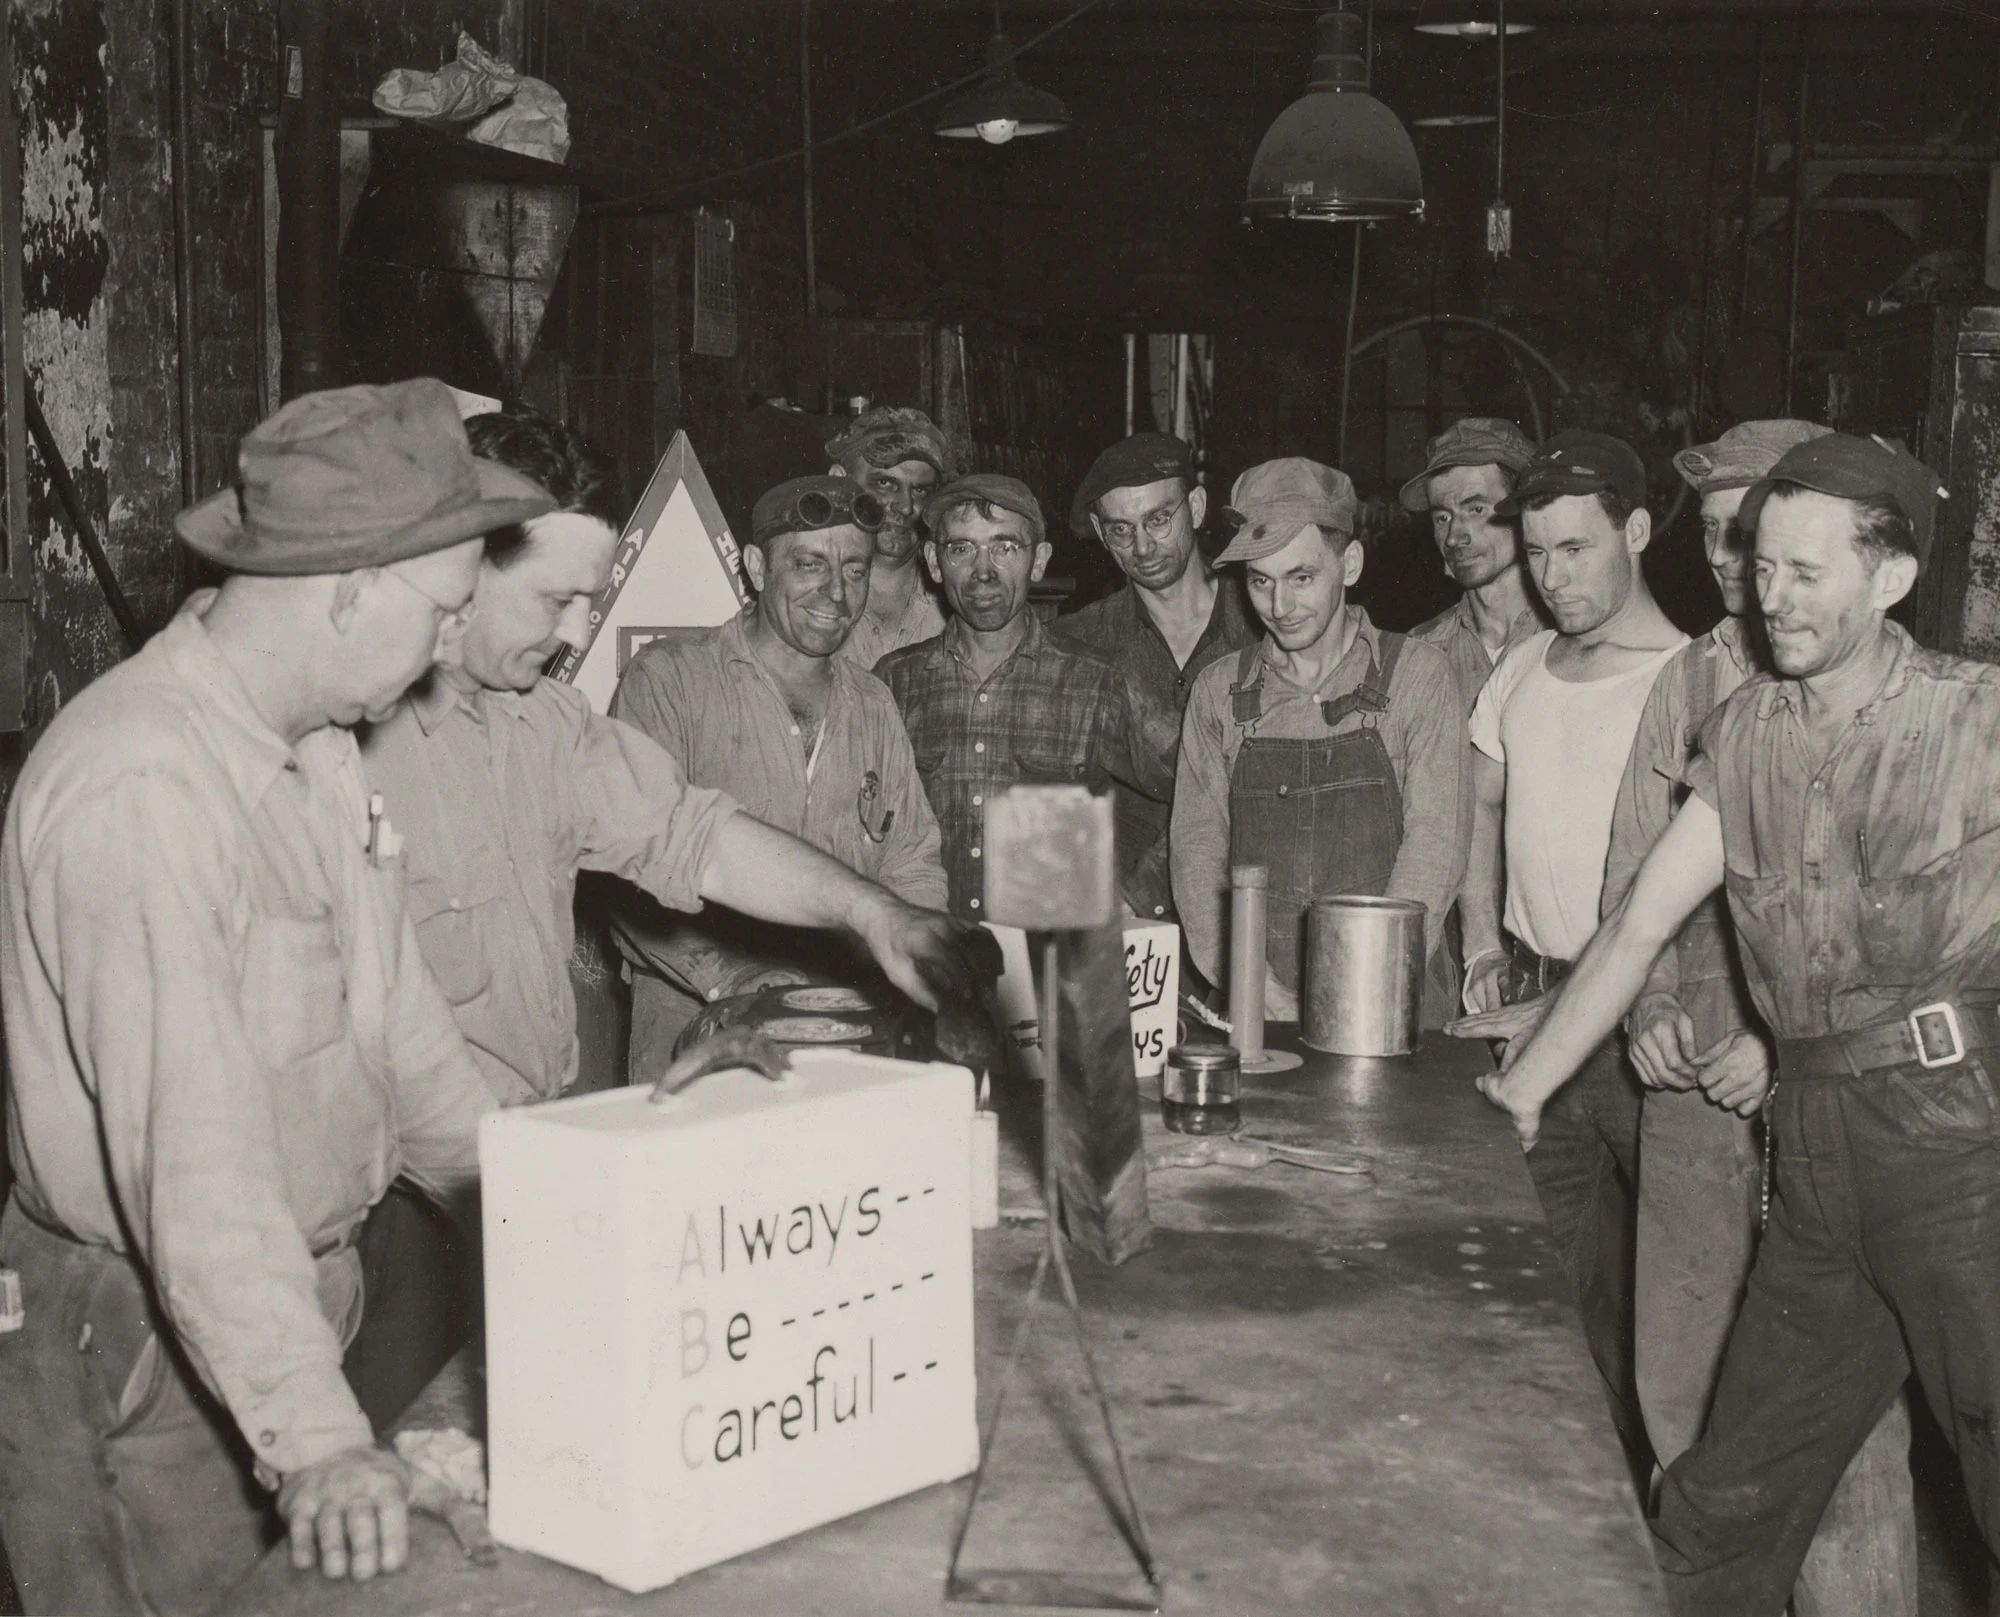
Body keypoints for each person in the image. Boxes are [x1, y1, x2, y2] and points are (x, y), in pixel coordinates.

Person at [0, 380, 549, 1613]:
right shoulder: (143, 783)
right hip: (144, 1337)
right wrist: (315, 1441)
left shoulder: (308, 745)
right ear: (350, 591)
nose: (450, 649)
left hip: (282, 1299)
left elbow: (400, 1036)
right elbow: (192, 1166)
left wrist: (557, 1215)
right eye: (443, 614)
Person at [1455, 436, 1973, 1617]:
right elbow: (1637, 912)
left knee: (1918, 1464)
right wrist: (1566, 1058)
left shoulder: (1961, 716)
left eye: (1794, 564)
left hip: (1915, 1132)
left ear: (1878, 573)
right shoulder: (1718, 711)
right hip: (1754, 1128)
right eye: (1743, 553)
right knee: (1703, 1452)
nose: (1759, 586)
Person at [1603, 418, 1916, 1613]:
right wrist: (1644, 1009)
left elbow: (1905, 937)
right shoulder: (1685, 681)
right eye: (1726, 542)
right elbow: (1635, 884)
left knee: (1845, 1444)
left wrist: (1777, 1048)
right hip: (1689, 1096)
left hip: (1837, 1110)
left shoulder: (1895, 695)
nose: (1741, 568)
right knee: (1681, 1405)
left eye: (1765, 540)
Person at [1457, 428, 1687, 1465]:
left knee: (1673, 1308)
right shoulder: (1515, 670)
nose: (1553, 579)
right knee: (1532, 1295)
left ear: (1634, 533)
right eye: (1537, 553)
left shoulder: (1689, 682)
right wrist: (1474, 947)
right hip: (1527, 1018)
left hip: (1649, 1036)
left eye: (1576, 549)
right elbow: (1478, 817)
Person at [612, 473, 949, 1079]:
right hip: (693, 1032)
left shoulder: (872, 702)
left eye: (854, 569)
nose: (836, 592)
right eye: (809, 564)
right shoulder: (670, 681)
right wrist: (732, 974)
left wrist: (913, 959)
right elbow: (630, 869)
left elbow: (912, 862)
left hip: (841, 1028)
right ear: (757, 567)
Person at [1171, 457, 1468, 1024]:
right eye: (1261, 582)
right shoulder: (1219, 693)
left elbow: (1436, 850)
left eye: (1301, 577)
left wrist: (1360, 990)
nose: (1279, 608)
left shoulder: (1417, 677)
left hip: (1389, 996)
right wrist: (1253, 987)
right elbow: (1197, 855)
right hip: (1258, 1002)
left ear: (1349, 563)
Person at [877, 473, 1174, 919]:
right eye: (961, 549)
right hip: (932, 953)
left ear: (1038, 562)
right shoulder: (894, 683)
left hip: (1050, 962)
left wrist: (1133, 894)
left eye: (1005, 548)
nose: (983, 572)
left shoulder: (1096, 681)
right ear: (934, 564)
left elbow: (1199, 788)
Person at [1053, 432, 1259, 920]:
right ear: (1101, 534)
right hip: (1118, 920)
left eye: (1159, 519)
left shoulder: (1264, 626)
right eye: (1121, 530)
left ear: (1197, 506)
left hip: (1243, 907)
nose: (1143, 546)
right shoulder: (1076, 645)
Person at [1401, 417, 1545, 714]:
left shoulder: (1571, 637)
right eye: (1442, 518)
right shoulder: (1419, 651)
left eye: (1476, 509)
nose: (1453, 537)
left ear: (1524, 511)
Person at [825, 404, 952, 667]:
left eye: (920, 491)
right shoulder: (811, 597)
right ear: (839, 483)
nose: (905, 506)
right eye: (884, 484)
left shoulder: (955, 595)